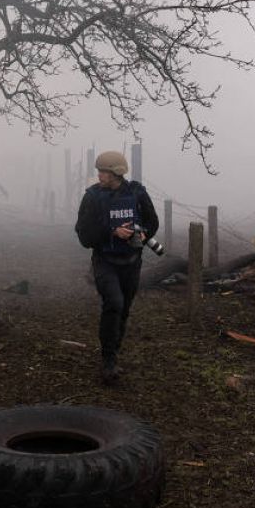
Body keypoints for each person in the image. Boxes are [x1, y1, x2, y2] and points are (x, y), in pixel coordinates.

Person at [74, 150, 159, 385]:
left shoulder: (137, 193)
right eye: (99, 171)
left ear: (116, 173)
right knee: (114, 303)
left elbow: (152, 223)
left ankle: (114, 350)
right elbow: (83, 234)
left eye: (104, 172)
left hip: (131, 262)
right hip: (104, 261)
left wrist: (140, 233)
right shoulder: (92, 197)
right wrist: (111, 231)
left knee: (124, 309)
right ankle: (108, 360)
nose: (99, 175)